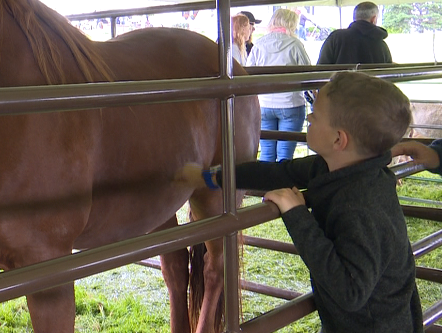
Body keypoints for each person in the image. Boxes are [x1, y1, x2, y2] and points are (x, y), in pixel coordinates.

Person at [177, 71, 422, 333]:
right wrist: (213, 177)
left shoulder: (363, 205)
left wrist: (296, 214)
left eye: (315, 115)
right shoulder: (335, 167)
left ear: (338, 139)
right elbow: (279, 173)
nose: (308, 118)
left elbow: (349, 291)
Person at [246, 8, 311, 162]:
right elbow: (308, 72)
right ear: (292, 24)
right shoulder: (295, 44)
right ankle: (283, 185)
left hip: (263, 104)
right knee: (285, 155)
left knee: (266, 153)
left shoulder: (259, 44)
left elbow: (248, 73)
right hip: (291, 103)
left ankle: (265, 186)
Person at [317, 1, 392, 65]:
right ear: (374, 19)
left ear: (354, 18)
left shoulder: (336, 37)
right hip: (370, 82)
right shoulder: (382, 46)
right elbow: (387, 75)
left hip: (341, 82)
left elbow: (320, 69)